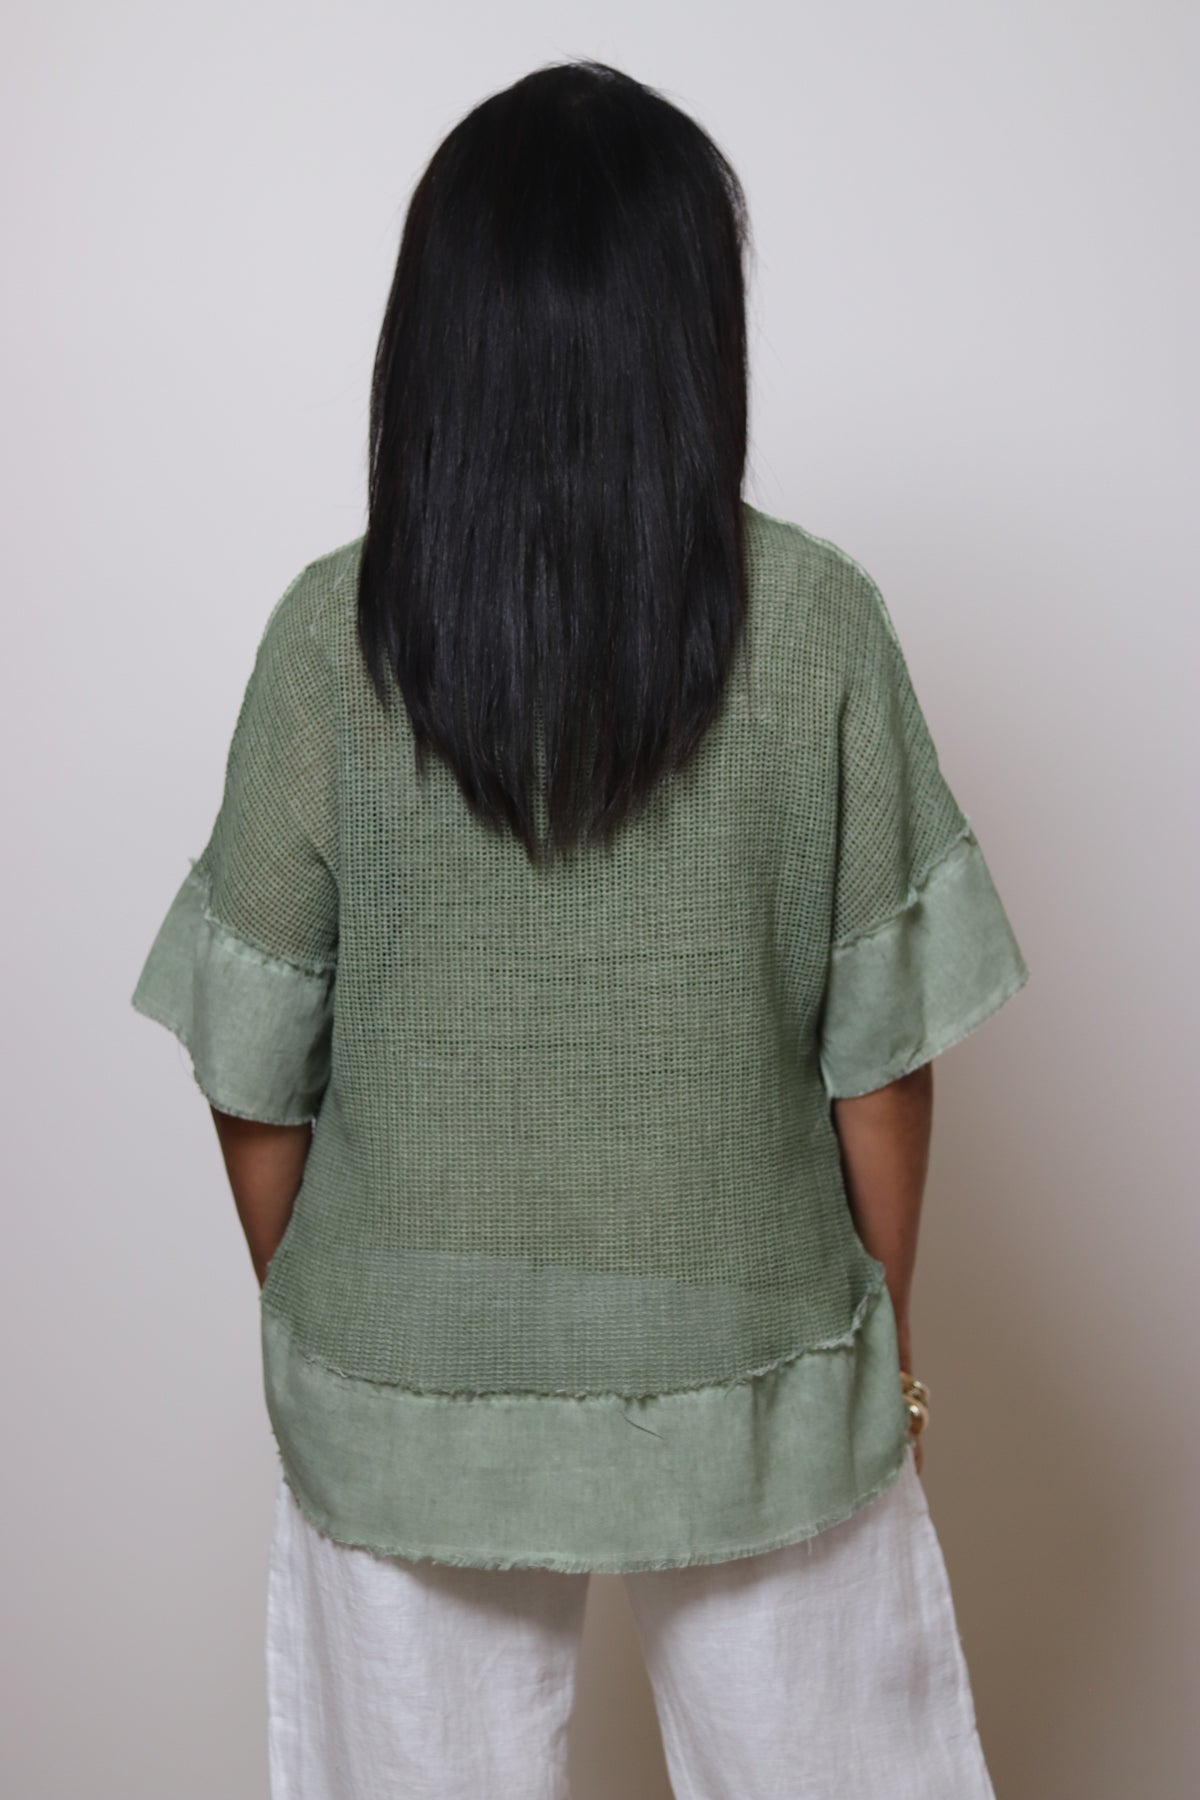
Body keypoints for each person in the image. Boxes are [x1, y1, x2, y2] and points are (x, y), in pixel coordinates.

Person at [130, 57, 1029, 1800]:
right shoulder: (819, 627)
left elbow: (251, 1069)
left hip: (400, 1365)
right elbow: (882, 1065)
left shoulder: (330, 638)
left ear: (437, 335)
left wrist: (350, 1331)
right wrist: (887, 1352)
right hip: (754, 1354)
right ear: (693, 336)